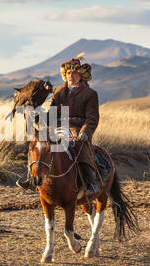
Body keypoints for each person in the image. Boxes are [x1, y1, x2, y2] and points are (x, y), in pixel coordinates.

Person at [17, 53, 102, 195]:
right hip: (56, 126)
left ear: (80, 74)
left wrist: (85, 132)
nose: (71, 75)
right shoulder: (58, 91)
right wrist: (38, 117)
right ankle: (31, 178)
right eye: (68, 72)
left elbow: (92, 118)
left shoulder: (90, 93)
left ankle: (90, 182)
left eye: (74, 72)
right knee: (36, 144)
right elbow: (52, 113)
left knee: (80, 145)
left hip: (77, 129)